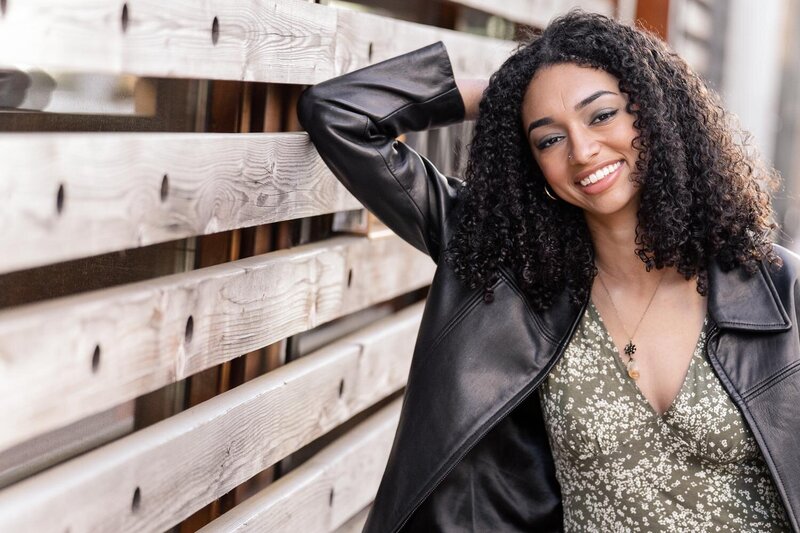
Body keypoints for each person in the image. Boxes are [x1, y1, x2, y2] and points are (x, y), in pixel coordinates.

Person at [298, 10, 800, 532]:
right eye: (548, 138)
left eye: (601, 115)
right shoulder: (509, 268)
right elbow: (338, 114)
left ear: (653, 111)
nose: (582, 151)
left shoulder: (779, 290)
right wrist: (505, 93)